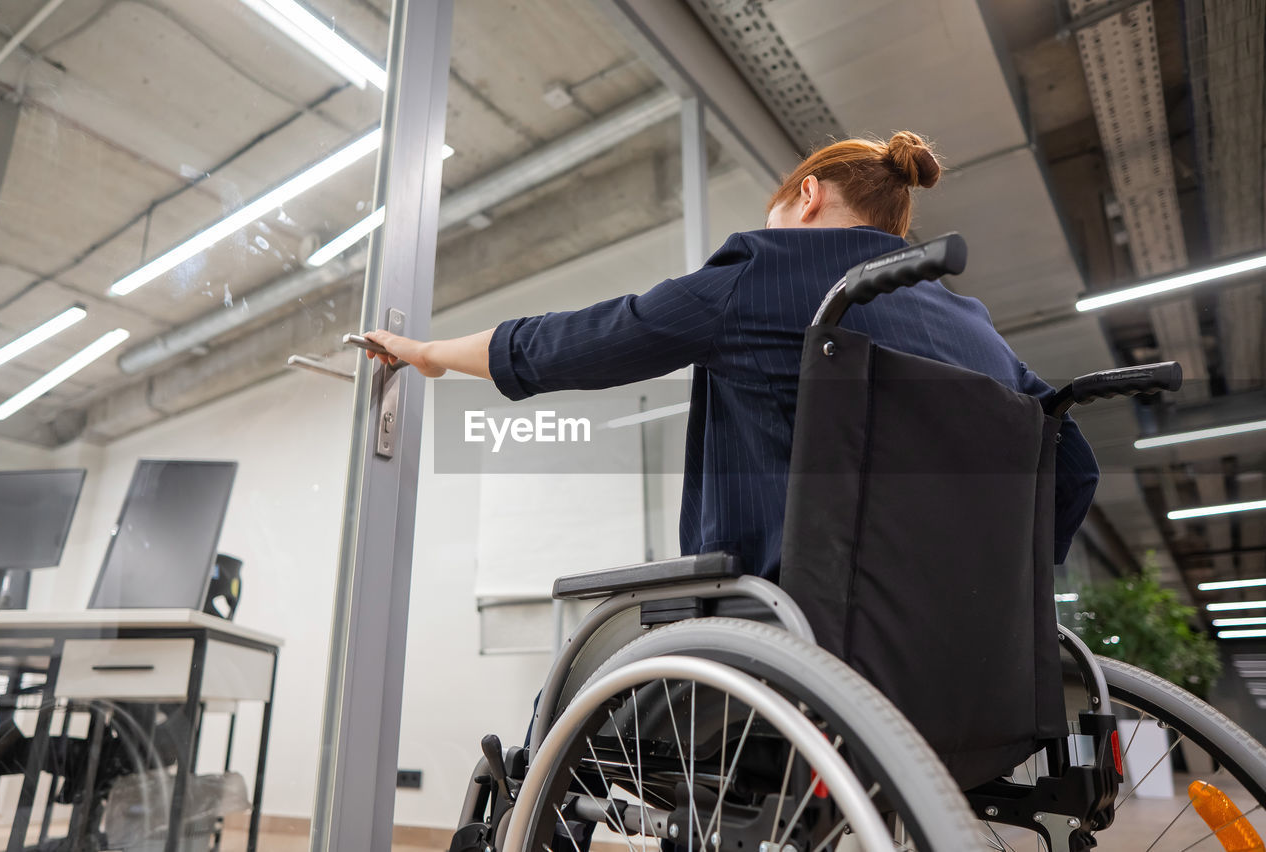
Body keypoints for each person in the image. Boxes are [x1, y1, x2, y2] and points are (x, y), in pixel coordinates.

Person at [365, 130, 1099, 579]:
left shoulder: (767, 272)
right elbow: (1075, 465)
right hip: (955, 647)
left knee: (576, 696)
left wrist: (427, 353)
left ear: (806, 196)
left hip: (794, 621)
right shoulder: (973, 327)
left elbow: (577, 343)